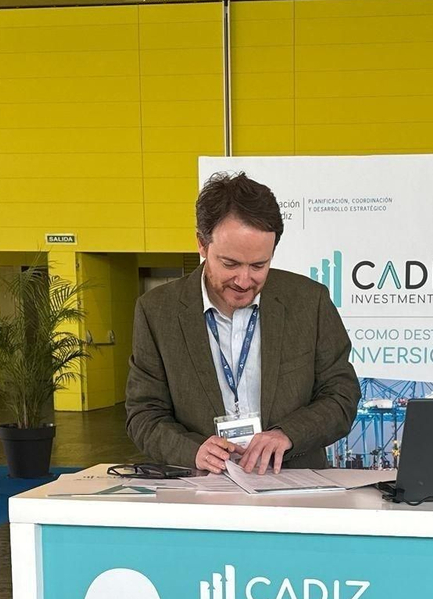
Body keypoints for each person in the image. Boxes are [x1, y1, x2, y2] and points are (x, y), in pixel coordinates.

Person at [125, 172, 360, 474]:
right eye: (230, 264)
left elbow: (341, 395)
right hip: (202, 487)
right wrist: (192, 451)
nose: (244, 280)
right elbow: (143, 414)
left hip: (294, 484)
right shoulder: (157, 311)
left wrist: (287, 434)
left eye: (259, 265)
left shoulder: (308, 302)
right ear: (201, 244)